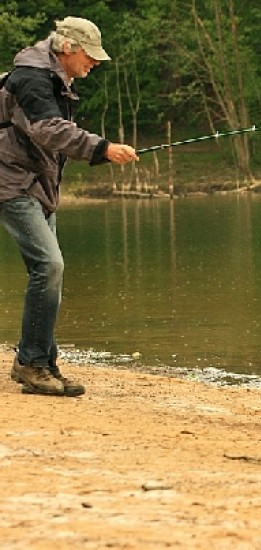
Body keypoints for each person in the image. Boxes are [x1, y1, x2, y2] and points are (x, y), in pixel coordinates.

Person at [0, 17, 138, 397]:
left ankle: (43, 363)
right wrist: (103, 148)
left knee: (48, 273)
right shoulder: (32, 78)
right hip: (12, 183)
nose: (93, 63)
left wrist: (100, 152)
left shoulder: (55, 79)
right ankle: (30, 364)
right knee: (50, 266)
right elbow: (49, 130)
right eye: (89, 55)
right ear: (67, 48)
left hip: (36, 185)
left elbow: (46, 139)